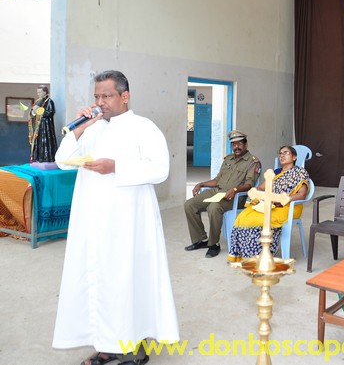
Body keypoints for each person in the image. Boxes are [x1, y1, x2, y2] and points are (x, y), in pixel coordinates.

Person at [53, 70, 178, 365]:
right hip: (93, 222)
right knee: (100, 282)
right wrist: (80, 128)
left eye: (106, 96)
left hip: (128, 223)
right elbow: (62, 161)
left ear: (125, 96)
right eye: (97, 96)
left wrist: (116, 167)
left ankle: (133, 347)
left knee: (127, 280)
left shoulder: (144, 127)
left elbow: (160, 169)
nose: (100, 102)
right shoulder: (92, 128)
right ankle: (106, 345)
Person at [184, 130, 261, 258]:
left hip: (234, 196)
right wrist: (201, 184)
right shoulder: (228, 159)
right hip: (217, 191)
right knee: (189, 205)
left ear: (246, 145)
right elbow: (217, 180)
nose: (236, 147)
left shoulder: (252, 162)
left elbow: (249, 185)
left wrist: (235, 190)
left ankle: (214, 244)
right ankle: (201, 239)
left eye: (239, 143)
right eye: (234, 144)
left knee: (213, 207)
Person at [227, 146, 309, 262]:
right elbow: (261, 188)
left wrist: (285, 199)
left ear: (294, 157)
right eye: (280, 153)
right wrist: (258, 193)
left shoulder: (300, 172)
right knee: (243, 217)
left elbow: (302, 194)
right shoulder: (275, 173)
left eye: (286, 153)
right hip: (270, 204)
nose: (282, 156)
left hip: (289, 206)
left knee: (259, 220)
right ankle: (247, 254)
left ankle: (262, 256)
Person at [28, 85, 58, 163]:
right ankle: (37, 158)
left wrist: (40, 112)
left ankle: (47, 158)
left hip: (46, 126)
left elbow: (50, 112)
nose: (38, 94)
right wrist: (33, 112)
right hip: (38, 126)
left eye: (40, 92)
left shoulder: (49, 101)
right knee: (38, 142)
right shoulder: (37, 102)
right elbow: (32, 113)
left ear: (45, 92)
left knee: (46, 141)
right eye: (37, 92)